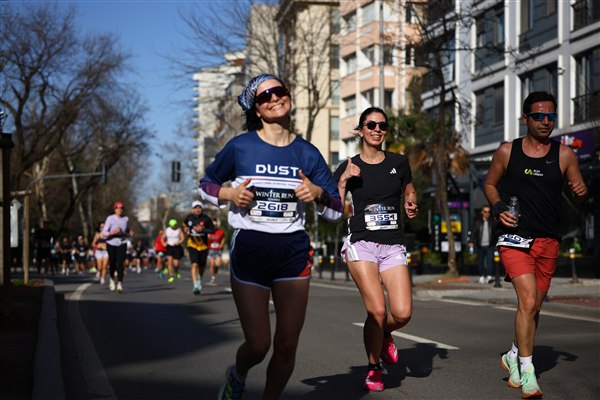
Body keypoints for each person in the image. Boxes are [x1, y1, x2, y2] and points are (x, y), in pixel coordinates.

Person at [199, 73, 343, 400]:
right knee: (258, 344)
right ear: (256, 109)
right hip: (251, 248)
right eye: (264, 96)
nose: (274, 98)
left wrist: (319, 193)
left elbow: (336, 210)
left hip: (292, 252)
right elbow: (205, 185)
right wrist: (230, 194)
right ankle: (237, 374)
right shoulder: (241, 147)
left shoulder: (308, 153)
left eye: (279, 91)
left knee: (287, 344)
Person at [484, 91, 588, 398]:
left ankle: (513, 354)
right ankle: (528, 372)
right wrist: (499, 206)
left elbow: (579, 194)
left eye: (551, 116)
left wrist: (581, 191)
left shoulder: (565, 155)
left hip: (548, 240)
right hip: (514, 238)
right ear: (525, 118)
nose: (545, 121)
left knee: (533, 308)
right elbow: (489, 183)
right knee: (528, 302)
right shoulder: (507, 151)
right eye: (539, 116)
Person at [333, 107, 418, 392]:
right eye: (371, 125)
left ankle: (382, 336)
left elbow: (409, 188)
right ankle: (373, 368)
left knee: (403, 313)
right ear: (361, 130)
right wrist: (343, 180)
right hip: (362, 243)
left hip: (392, 244)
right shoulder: (348, 165)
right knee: (378, 310)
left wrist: (411, 200)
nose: (377, 129)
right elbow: (334, 209)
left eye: (382, 125)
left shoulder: (398, 162)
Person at [183, 200, 214, 294]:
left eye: (199, 207)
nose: (197, 209)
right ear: (193, 209)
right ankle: (195, 285)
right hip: (192, 244)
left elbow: (212, 230)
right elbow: (185, 226)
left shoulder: (206, 219)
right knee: (194, 264)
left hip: (203, 246)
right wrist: (186, 229)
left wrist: (202, 229)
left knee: (201, 266)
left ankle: (199, 278)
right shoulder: (189, 218)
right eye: (195, 208)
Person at [101, 201, 131, 293]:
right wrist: (113, 232)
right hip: (111, 243)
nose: (120, 209)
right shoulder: (110, 218)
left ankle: (120, 284)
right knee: (113, 263)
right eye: (118, 207)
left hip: (122, 242)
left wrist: (130, 232)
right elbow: (104, 233)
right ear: (115, 209)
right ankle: (111, 278)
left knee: (120, 263)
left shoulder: (126, 219)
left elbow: (127, 230)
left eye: (121, 208)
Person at [470, 205, 495, 284]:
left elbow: (495, 233)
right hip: (480, 245)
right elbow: (474, 232)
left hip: (490, 245)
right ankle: (482, 276)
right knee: (480, 262)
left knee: (490, 261)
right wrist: (471, 241)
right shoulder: (477, 221)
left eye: (488, 212)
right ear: (482, 212)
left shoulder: (492, 221)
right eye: (485, 211)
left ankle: (489, 276)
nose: (487, 213)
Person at [165, 219, 185, 283]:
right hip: (169, 247)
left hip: (176, 248)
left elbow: (183, 238)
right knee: (170, 262)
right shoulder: (167, 230)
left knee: (176, 264)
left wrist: (178, 242)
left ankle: (176, 271)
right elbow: (163, 237)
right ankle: (171, 276)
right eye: (172, 225)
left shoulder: (178, 230)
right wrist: (164, 243)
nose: (173, 226)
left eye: (174, 225)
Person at [207, 217, 225, 285]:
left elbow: (223, 239)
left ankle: (214, 273)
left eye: (215, 224)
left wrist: (221, 245)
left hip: (218, 250)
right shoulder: (208, 232)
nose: (214, 226)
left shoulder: (221, 232)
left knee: (217, 264)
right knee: (212, 264)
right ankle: (213, 277)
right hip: (211, 250)